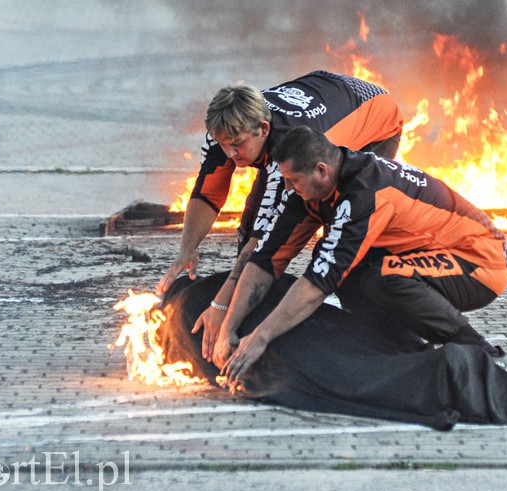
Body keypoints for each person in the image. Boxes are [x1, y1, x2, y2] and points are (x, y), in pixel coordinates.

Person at [215, 126, 507, 386]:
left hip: (480, 261)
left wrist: (260, 338)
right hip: (430, 253)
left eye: (292, 180)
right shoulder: (310, 190)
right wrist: (228, 326)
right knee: (356, 275)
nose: (287, 188)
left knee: (384, 276)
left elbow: (317, 284)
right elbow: (266, 259)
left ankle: (485, 354)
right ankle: (403, 351)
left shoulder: (364, 192)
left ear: (321, 170)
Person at [156, 70, 404, 359]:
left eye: (236, 143)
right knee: (250, 224)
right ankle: (249, 311)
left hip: (375, 118)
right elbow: (208, 192)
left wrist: (221, 305)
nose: (231, 152)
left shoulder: (287, 143)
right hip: (325, 90)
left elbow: (266, 239)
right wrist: (187, 250)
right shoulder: (225, 132)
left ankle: (376, 321)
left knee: (340, 223)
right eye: (223, 144)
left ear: (263, 128)